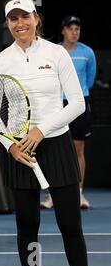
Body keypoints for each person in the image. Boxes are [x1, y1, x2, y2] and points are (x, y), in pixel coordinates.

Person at [0, 0, 88, 266]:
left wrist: (41, 130)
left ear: (36, 19)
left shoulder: (57, 54)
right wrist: (10, 146)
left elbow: (78, 103)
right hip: (22, 153)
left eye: (25, 17)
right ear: (7, 24)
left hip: (57, 147)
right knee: (28, 228)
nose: (20, 24)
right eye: (13, 19)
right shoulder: (0, 62)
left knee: (70, 227)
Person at [41, 16, 96, 210]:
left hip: (79, 103)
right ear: (63, 30)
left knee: (78, 149)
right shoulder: (53, 51)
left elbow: (89, 80)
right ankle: (51, 195)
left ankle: (79, 195)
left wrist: (76, 96)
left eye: (77, 29)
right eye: (71, 28)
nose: (74, 32)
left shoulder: (88, 53)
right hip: (56, 104)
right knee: (52, 148)